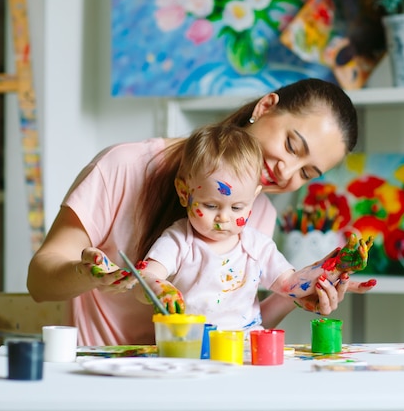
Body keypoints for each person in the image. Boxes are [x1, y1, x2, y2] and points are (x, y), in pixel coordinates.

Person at [27, 77, 377, 346]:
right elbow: (39, 283)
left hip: (194, 377)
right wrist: (91, 275)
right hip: (102, 376)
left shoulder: (258, 214)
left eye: (306, 173)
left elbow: (233, 319)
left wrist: (298, 293)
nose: (286, 171)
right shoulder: (125, 165)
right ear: (265, 107)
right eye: (291, 145)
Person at [129, 123, 372, 332]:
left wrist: (333, 267)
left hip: (244, 351)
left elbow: (290, 285)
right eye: (212, 205)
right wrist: (161, 289)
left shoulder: (257, 246)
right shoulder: (179, 239)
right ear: (184, 192)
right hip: (189, 347)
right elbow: (145, 278)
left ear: (253, 198)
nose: (223, 218)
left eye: (237, 208)